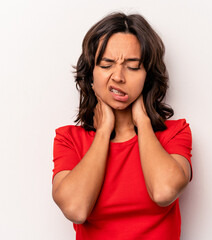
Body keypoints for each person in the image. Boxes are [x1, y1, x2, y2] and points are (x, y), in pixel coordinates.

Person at [52, 12, 193, 240]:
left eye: (133, 67)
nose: (118, 76)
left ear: (148, 76)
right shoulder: (68, 139)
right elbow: (75, 209)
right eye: (107, 65)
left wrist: (143, 121)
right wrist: (104, 130)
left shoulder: (175, 133)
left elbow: (163, 191)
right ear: (90, 74)